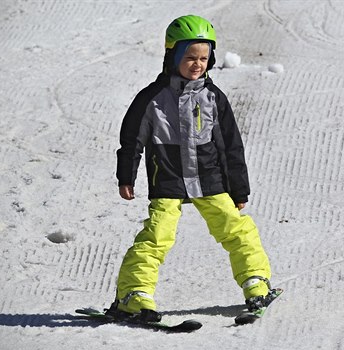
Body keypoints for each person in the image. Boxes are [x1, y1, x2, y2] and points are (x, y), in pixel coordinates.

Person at [108, 15, 273, 322]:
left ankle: (256, 281)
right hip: (168, 179)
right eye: (189, 57)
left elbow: (231, 147)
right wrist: (126, 176)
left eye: (204, 58)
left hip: (209, 179)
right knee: (156, 236)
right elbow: (131, 141)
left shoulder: (213, 98)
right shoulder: (152, 99)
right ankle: (134, 294)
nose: (197, 64)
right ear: (172, 56)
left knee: (236, 229)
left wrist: (239, 188)